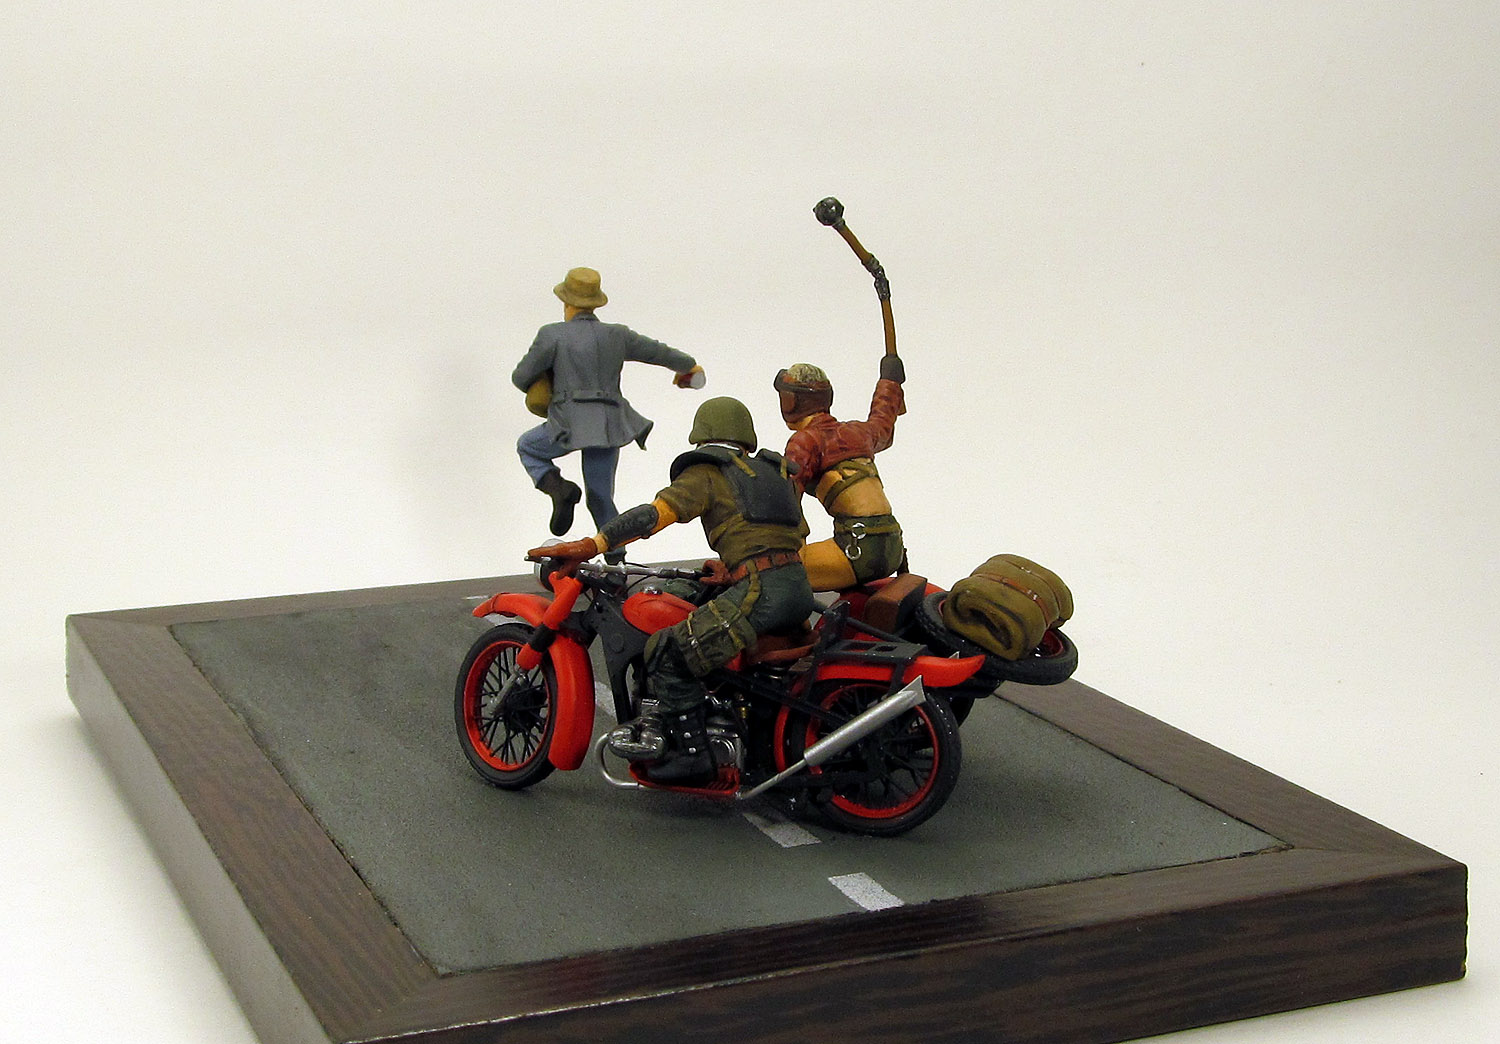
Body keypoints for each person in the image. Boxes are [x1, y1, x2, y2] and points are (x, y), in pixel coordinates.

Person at [529, 396, 815, 782]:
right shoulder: (774, 472)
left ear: (703, 434)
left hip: (759, 593)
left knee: (666, 651)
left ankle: (693, 756)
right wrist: (735, 568)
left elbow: (655, 515)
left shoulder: (709, 471)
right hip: (796, 588)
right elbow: (790, 536)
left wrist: (593, 544)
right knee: (688, 602)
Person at [513, 267, 705, 536]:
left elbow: (521, 376)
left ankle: (559, 489)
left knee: (528, 447)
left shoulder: (552, 334)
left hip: (568, 423)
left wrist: (545, 377)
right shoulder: (617, 335)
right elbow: (657, 352)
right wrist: (689, 366)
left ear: (566, 302)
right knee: (600, 497)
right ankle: (616, 556)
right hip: (609, 425)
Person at [776, 354, 907, 591]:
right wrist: (890, 381)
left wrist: (781, 546)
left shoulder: (805, 441)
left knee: (777, 573)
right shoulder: (857, 432)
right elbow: (883, 422)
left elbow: (787, 499)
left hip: (857, 550)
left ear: (792, 402)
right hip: (893, 543)